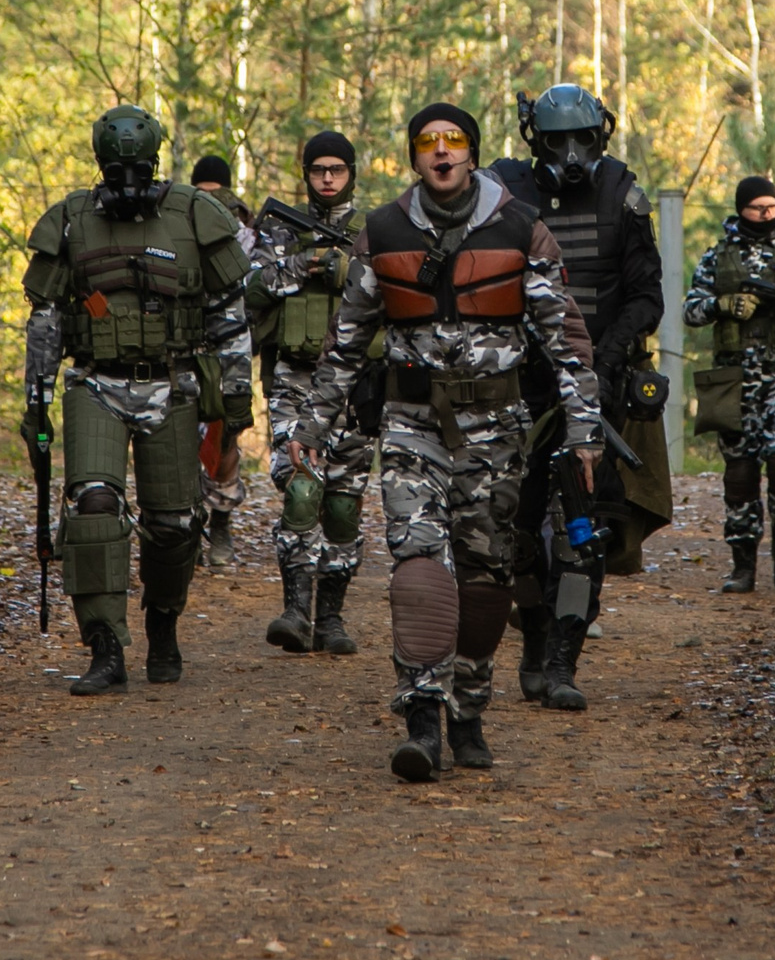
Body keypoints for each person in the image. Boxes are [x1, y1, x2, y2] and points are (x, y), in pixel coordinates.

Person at [282, 104, 604, 783]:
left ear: (473, 153)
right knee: (420, 563)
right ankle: (423, 718)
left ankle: (471, 709)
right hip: (410, 426)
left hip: (498, 432)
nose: (441, 153)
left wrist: (584, 431)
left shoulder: (522, 228)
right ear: (412, 157)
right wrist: (310, 428)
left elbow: (565, 338)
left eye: (454, 141)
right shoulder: (385, 230)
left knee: (487, 576)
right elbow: (345, 342)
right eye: (427, 143)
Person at [20, 107, 254, 693]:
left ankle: (163, 624)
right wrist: (35, 398)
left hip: (173, 385)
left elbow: (230, 311)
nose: (127, 175)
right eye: (116, 165)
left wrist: (235, 391)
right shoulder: (72, 219)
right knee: (93, 505)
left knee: (174, 525)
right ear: (100, 162)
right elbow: (45, 318)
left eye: (138, 164)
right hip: (95, 383)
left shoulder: (197, 214)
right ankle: (104, 647)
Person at [489, 84, 668, 711]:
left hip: (600, 387)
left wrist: (609, 357)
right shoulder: (504, 191)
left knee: (584, 528)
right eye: (556, 140)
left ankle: (564, 658)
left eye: (581, 139)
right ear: (534, 139)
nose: (569, 152)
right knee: (513, 522)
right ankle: (534, 635)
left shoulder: (623, 193)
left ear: (601, 136)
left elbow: (648, 296)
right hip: (520, 383)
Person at [246, 131, 369, 655]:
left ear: (351, 174)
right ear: (306, 173)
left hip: (356, 385)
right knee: (301, 488)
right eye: (318, 170)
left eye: (337, 170)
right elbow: (249, 288)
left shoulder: (373, 230)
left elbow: (398, 287)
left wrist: (350, 270)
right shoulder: (278, 227)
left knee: (343, 506)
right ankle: (296, 610)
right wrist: (301, 265)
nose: (327, 179)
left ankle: (331, 618)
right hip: (294, 378)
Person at [683, 176, 775, 593]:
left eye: (771, 207)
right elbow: (691, 311)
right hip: (735, 377)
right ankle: (743, 564)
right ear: (740, 209)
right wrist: (723, 304)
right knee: (740, 473)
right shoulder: (717, 256)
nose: (765, 215)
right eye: (757, 208)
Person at [189, 154, 258, 571]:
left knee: (225, 436)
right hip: (188, 344)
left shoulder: (246, 229)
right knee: (190, 439)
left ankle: (219, 524)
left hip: (228, 345)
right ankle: (197, 525)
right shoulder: (177, 219)